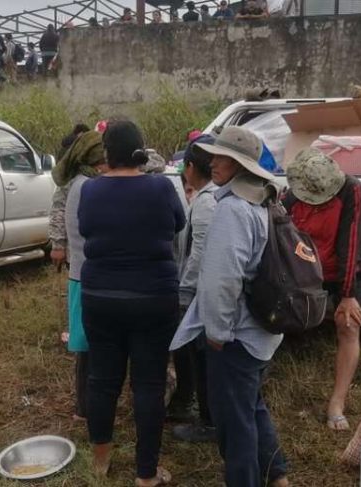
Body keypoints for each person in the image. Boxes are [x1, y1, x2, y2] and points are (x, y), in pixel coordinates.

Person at [169, 127, 288, 487]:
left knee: (234, 424)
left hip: (236, 335)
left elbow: (222, 280)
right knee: (251, 406)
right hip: (261, 331)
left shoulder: (233, 209)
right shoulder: (264, 200)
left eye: (223, 158)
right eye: (214, 156)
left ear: (241, 165)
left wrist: (217, 333)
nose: (213, 162)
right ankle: (276, 474)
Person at [78, 121, 185, 487]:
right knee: (149, 385)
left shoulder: (91, 190)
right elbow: (178, 224)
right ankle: (146, 473)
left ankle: (100, 462)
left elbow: (86, 228)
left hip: (100, 297)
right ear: (141, 149)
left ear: (107, 153)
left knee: (102, 380)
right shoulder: (162, 186)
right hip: (153, 298)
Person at [282, 148, 361, 432]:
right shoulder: (291, 194)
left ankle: (337, 402)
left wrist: (347, 295)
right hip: (307, 266)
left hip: (346, 269)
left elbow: (350, 244)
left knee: (348, 325)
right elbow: (284, 236)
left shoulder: (353, 191)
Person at [48, 130, 107, 421]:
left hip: (82, 274)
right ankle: (85, 409)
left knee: (87, 346)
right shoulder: (86, 186)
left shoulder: (81, 182)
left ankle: (85, 407)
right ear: (97, 159)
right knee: (88, 348)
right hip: (86, 276)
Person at [168, 135, 220, 443]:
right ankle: (205, 414)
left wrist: (184, 292)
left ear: (189, 168)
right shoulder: (211, 197)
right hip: (202, 292)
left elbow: (198, 254)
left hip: (199, 295)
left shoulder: (205, 202)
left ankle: (208, 421)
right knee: (197, 358)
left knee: (199, 359)